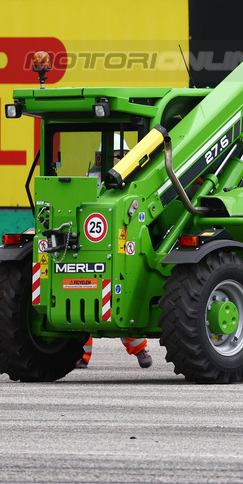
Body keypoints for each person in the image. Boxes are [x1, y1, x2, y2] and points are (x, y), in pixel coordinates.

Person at [78, 134, 153, 369]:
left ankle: (140, 350)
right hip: (90, 244)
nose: (119, 159)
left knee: (121, 299)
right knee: (83, 300)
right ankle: (80, 356)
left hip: (120, 243)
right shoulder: (89, 180)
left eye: (122, 155)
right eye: (116, 155)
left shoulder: (135, 179)